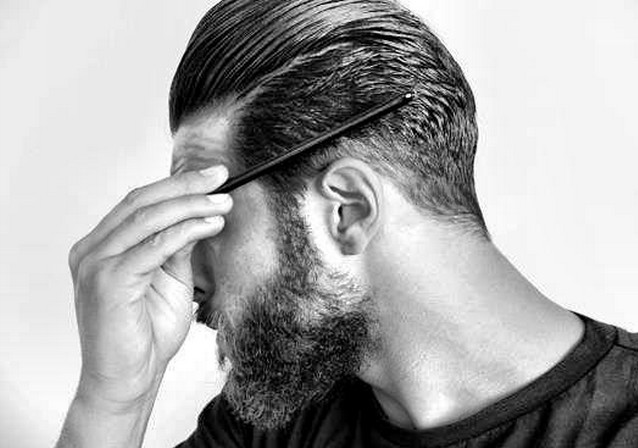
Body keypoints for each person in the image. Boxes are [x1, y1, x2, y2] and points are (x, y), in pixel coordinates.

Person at [55, 0, 638, 447]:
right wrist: (115, 398)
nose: (181, 271)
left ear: (347, 210)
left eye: (206, 215)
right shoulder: (275, 426)